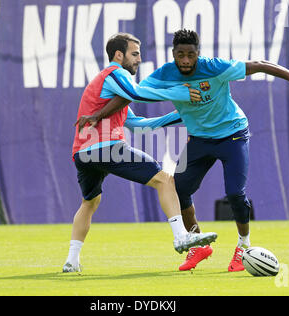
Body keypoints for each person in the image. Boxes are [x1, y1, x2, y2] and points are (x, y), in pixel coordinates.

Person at [75, 29, 289, 272]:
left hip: (233, 135)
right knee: (179, 189)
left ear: (198, 53)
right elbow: (132, 95)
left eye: (191, 55)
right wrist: (99, 114)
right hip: (199, 139)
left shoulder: (215, 67)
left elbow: (260, 63)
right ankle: (198, 244)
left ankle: (243, 246)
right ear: (173, 54)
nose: (185, 61)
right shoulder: (166, 73)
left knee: (235, 194)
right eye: (180, 55)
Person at [63, 33, 217, 273]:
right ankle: (181, 237)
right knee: (165, 180)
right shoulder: (116, 73)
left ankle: (71, 261)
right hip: (106, 147)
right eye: (134, 54)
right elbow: (136, 93)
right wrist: (182, 94)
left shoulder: (109, 88)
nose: (139, 59)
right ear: (118, 55)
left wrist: (182, 115)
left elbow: (139, 125)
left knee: (90, 202)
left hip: (82, 154)